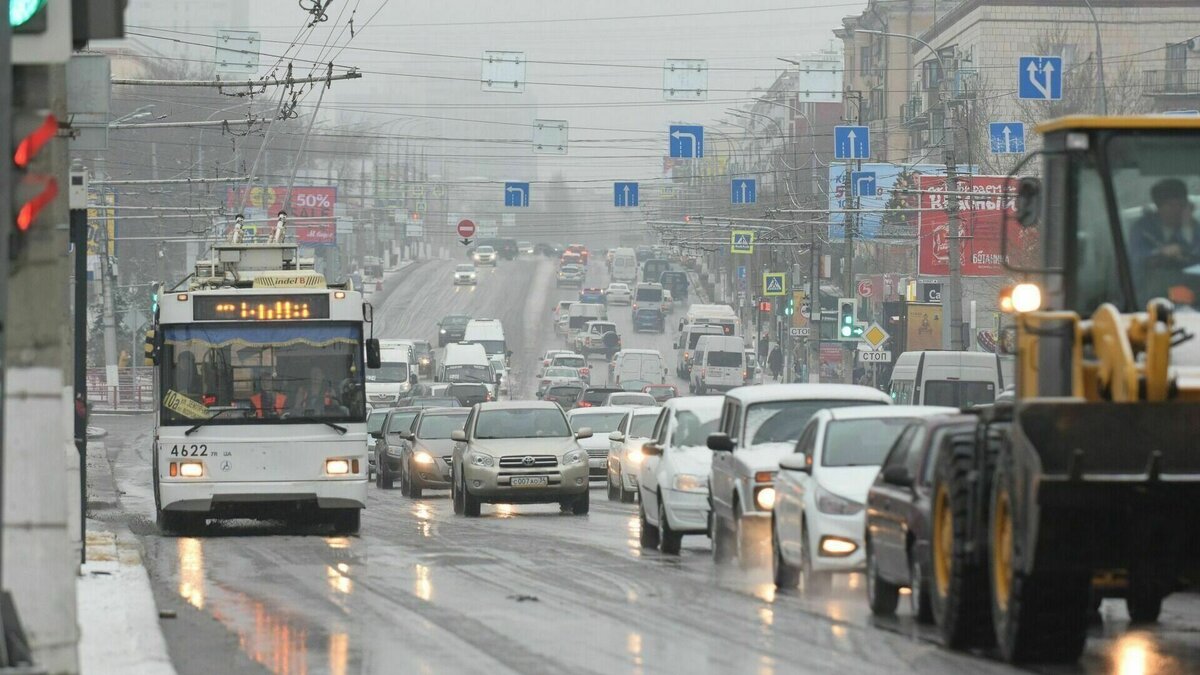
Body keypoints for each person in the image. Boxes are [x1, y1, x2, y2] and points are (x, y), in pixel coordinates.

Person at [1129, 178, 1200, 303]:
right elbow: (1136, 260)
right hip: (1149, 297)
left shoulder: (1194, 228)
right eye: (1171, 205)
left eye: (1181, 205)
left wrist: (1187, 229)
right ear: (1158, 206)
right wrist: (1161, 254)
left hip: (1192, 295)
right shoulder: (1143, 229)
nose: (1177, 211)